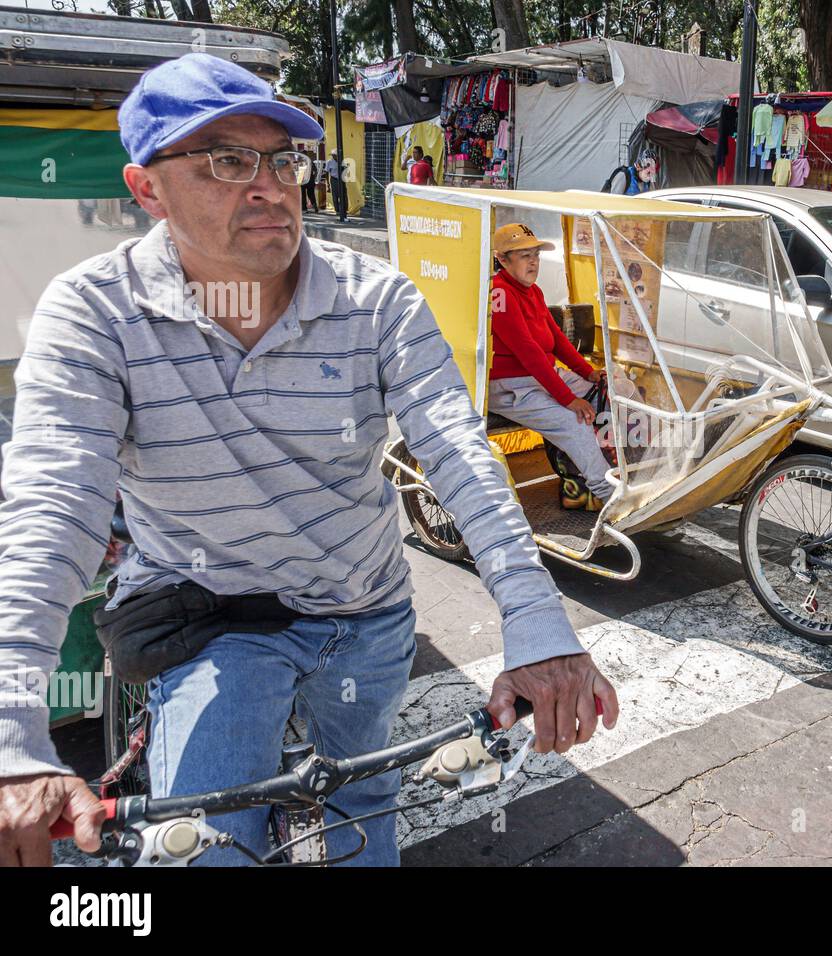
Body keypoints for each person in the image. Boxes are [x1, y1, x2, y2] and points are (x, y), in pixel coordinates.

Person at [0, 53, 618, 867]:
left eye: (285, 159)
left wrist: (537, 622)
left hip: (367, 614)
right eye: (227, 160)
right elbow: (55, 508)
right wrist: (13, 729)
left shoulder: (377, 299)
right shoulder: (94, 312)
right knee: (203, 850)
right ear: (146, 189)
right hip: (219, 618)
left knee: (366, 809)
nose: (269, 184)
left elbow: (460, 455)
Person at [487, 224, 614, 511]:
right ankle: (608, 495)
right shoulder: (500, 294)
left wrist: (588, 372)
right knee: (575, 422)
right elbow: (529, 353)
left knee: (617, 389)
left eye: (535, 255)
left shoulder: (534, 292)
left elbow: (556, 340)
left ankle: (616, 471)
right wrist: (569, 399)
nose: (533, 262)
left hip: (542, 377)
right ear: (503, 259)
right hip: (512, 386)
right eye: (524, 256)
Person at [324, 148, 347, 222]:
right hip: (334, 179)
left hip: (342, 180)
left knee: (343, 195)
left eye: (336, 155)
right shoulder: (329, 162)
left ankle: (343, 210)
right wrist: (327, 183)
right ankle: (337, 210)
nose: (335, 156)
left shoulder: (342, 161)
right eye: (334, 155)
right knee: (335, 195)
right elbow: (326, 173)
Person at [299, 148, 318, 213]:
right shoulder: (310, 161)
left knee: (303, 194)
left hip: (303, 180)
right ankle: (314, 205)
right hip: (310, 179)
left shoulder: (300, 161)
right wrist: (314, 177)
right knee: (311, 194)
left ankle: (304, 208)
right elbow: (315, 171)